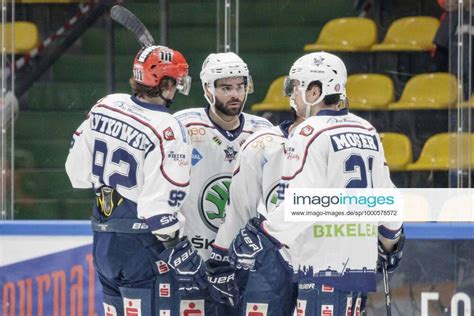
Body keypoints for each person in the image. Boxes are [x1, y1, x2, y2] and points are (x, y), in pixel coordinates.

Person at [230, 52, 405, 315]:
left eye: (297, 87)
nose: (293, 96)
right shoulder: (367, 130)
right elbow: (387, 200)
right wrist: (391, 243)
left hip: (321, 263)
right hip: (359, 265)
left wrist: (263, 234)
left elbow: (300, 205)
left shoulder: (308, 132)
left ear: (315, 90)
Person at [65, 45, 206, 315]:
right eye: (175, 81)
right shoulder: (168, 128)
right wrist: (177, 247)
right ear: (165, 84)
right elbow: (159, 209)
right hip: (142, 245)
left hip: (103, 240)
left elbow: (77, 173)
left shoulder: (105, 105)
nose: (176, 89)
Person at [173, 52, 273, 311]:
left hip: (244, 262)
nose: (235, 95)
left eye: (240, 87)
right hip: (194, 263)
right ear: (208, 88)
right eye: (226, 88)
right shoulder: (183, 126)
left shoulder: (262, 130)